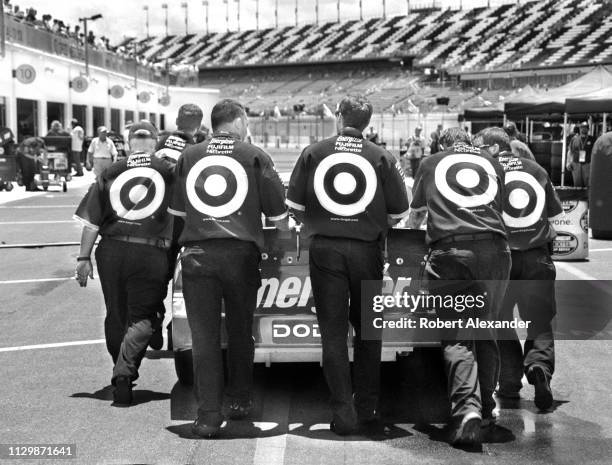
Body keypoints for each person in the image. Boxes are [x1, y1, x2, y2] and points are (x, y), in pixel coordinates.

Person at [286, 95, 410, 435]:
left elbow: (293, 204)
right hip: (369, 251)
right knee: (369, 331)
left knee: (333, 332)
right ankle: (368, 407)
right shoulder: (382, 156)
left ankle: (342, 411)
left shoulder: (314, 152)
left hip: (325, 250)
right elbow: (400, 213)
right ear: (367, 122)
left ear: (339, 118)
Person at [169, 99, 289, 438]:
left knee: (204, 339)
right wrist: (279, 247)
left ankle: (208, 416)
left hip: (198, 254)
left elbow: (177, 215)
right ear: (236, 121)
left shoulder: (189, 156)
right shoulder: (254, 155)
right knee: (240, 332)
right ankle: (239, 402)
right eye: (246, 120)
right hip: (241, 255)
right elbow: (279, 217)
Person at [407, 127, 510, 448]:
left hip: (452, 253)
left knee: (457, 336)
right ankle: (488, 409)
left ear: (442, 145)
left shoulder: (431, 162)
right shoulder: (493, 164)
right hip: (495, 251)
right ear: (469, 143)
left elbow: (416, 216)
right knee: (487, 331)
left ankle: (467, 410)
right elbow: (499, 207)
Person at [74, 121, 174, 406]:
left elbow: (92, 221)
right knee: (143, 315)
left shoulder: (110, 171)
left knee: (115, 314)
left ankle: (118, 367)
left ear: (128, 143)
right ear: (155, 142)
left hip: (112, 251)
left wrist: (83, 258)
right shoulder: (168, 171)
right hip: (151, 252)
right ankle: (125, 372)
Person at [476, 127, 562, 412]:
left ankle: (510, 379)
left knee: (500, 319)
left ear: (492, 147)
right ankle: (539, 367)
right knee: (539, 320)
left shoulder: (486, 170)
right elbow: (555, 213)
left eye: (480, 146)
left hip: (503, 258)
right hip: (538, 256)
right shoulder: (536, 169)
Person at [567, 121, 595, 188]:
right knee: (577, 185)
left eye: (585, 128)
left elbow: (595, 152)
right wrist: (568, 162)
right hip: (576, 164)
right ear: (579, 129)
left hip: (587, 165)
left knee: (588, 185)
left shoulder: (592, 139)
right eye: (582, 127)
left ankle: (588, 198)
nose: (583, 129)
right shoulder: (574, 139)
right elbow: (570, 151)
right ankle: (577, 198)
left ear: (588, 129)